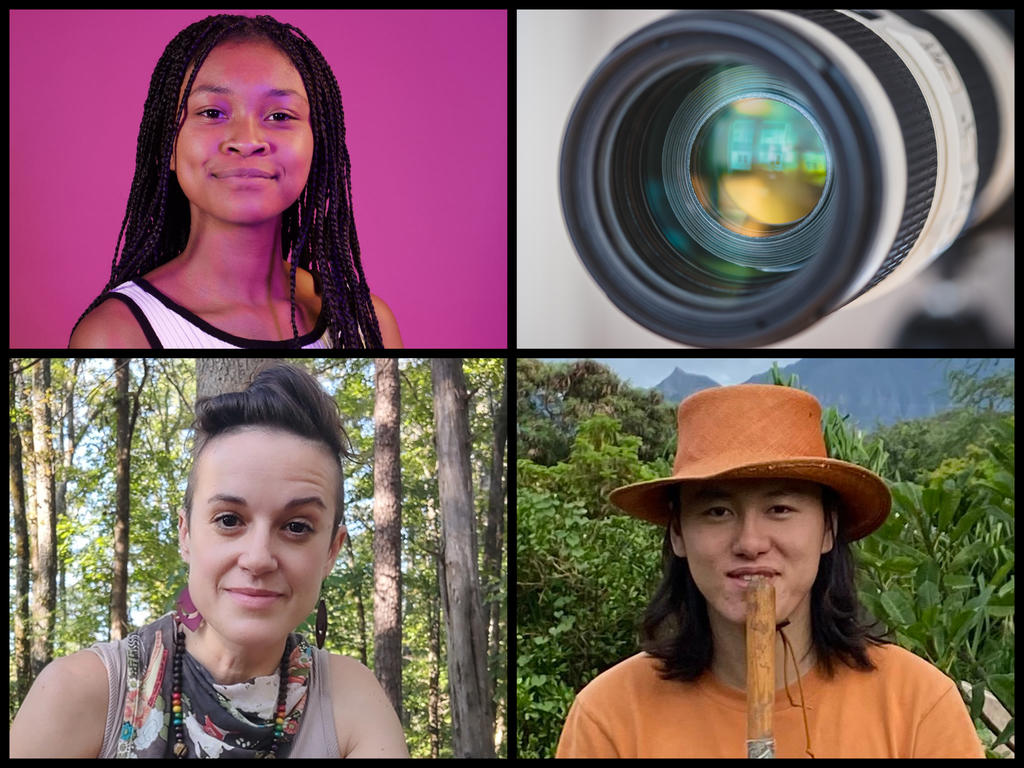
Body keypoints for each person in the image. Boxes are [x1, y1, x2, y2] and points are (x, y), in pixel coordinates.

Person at [556, 384, 984, 758]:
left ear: (827, 530)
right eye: (717, 511)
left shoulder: (916, 704)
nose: (750, 543)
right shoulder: (610, 715)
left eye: (780, 509)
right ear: (679, 535)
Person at [10, 363, 409, 758]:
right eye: (229, 520)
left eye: (297, 527)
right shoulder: (82, 695)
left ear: (331, 551)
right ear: (186, 534)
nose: (258, 559)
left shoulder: (350, 703)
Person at [68, 14, 402, 349]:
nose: (246, 140)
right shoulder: (116, 333)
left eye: (280, 115)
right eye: (212, 113)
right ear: (167, 145)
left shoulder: (367, 324)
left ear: (318, 148)